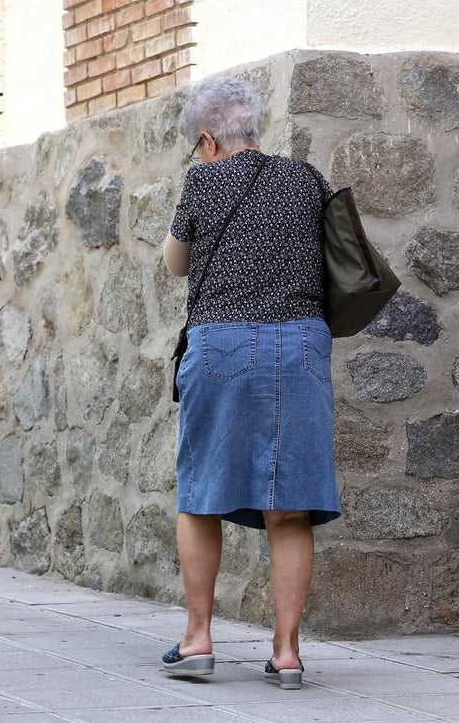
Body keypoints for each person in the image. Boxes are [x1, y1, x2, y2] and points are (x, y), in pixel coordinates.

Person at [160, 75, 341, 690]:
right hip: (300, 344)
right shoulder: (305, 178)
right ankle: (287, 653)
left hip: (224, 341)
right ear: (254, 129)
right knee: (290, 509)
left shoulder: (204, 181)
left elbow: (176, 261)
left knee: (202, 493)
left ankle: (198, 640)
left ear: (208, 139)